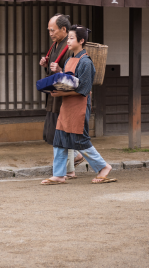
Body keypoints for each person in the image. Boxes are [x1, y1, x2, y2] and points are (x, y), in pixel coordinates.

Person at [41, 25, 116, 185]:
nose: (68, 41)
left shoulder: (86, 62)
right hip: (67, 105)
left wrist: (60, 93)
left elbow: (83, 89)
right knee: (59, 139)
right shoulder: (69, 59)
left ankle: (104, 167)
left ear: (81, 41)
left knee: (81, 140)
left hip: (79, 106)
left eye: (71, 38)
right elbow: (69, 81)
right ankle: (59, 174)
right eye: (68, 38)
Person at [39, 14, 83, 174]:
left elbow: (76, 72)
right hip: (56, 94)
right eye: (49, 30)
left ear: (64, 29)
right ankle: (70, 167)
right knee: (57, 132)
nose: (50, 33)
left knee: (60, 132)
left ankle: (66, 168)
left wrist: (60, 70)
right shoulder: (56, 44)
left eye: (53, 30)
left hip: (65, 96)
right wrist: (46, 64)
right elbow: (53, 67)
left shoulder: (70, 46)